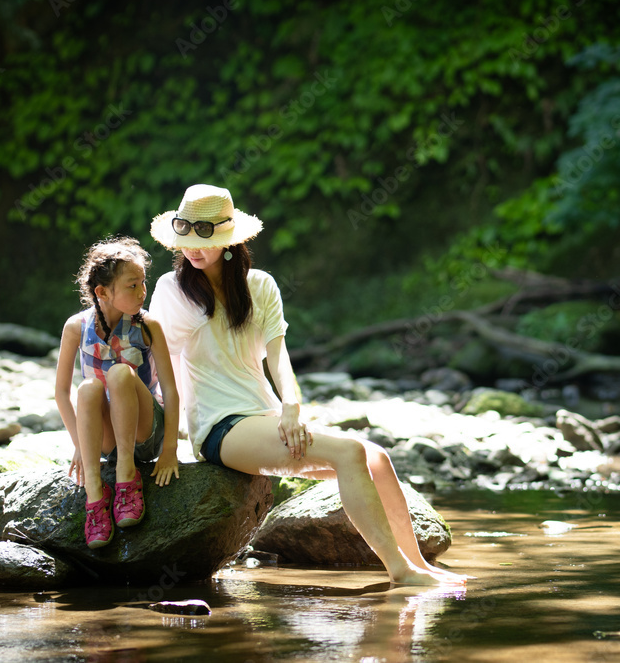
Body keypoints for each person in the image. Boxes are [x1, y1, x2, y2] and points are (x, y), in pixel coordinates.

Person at [148, 184, 466, 586]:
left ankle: (420, 565)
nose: (192, 249)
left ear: (230, 241)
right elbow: (157, 361)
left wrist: (291, 406)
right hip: (219, 427)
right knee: (349, 452)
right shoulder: (171, 290)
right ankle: (399, 572)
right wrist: (159, 438)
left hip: (262, 414)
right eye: (186, 238)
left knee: (378, 458)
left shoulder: (259, 285)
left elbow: (278, 355)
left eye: (204, 237)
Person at [55, 236, 181, 549]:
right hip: (107, 440)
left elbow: (171, 390)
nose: (142, 292)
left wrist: (169, 451)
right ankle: (96, 494)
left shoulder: (147, 324)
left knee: (120, 373)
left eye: (143, 283)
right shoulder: (75, 327)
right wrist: (81, 446)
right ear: (102, 292)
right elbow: (60, 393)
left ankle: (128, 476)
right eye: (132, 285)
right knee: (87, 388)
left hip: (145, 432)